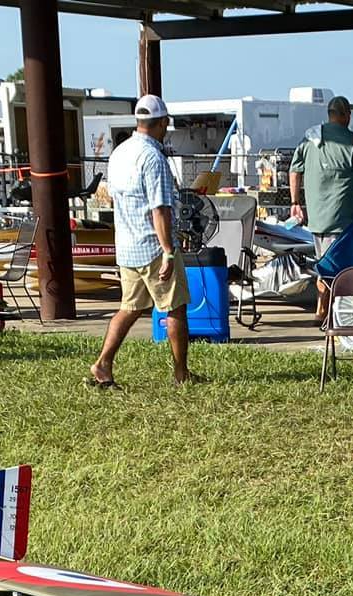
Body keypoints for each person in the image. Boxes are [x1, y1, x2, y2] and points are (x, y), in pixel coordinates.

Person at [91, 96, 199, 389]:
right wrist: (167, 251)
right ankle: (181, 372)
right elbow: (160, 209)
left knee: (130, 307)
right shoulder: (154, 158)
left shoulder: (120, 153)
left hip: (126, 245)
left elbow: (113, 197)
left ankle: (103, 363)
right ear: (162, 122)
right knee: (175, 307)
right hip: (153, 245)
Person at [289, 97, 353, 322]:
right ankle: (333, 312)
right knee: (342, 268)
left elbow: (294, 171)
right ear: (346, 114)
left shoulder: (310, 139)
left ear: (329, 114)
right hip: (344, 219)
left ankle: (322, 308)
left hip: (316, 219)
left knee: (322, 262)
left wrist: (295, 201)